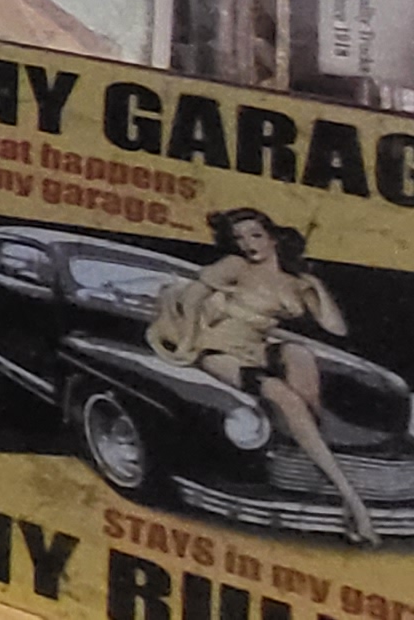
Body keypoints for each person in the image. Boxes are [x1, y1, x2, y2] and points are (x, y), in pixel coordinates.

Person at [152, 208, 376, 545]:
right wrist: (187, 342)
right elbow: (194, 298)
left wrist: (315, 286)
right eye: (239, 238)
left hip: (255, 348)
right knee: (284, 397)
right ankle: (352, 500)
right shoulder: (235, 266)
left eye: (255, 235)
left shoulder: (296, 284)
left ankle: (310, 454)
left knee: (300, 356)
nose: (247, 244)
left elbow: (336, 328)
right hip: (216, 349)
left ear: (273, 238)